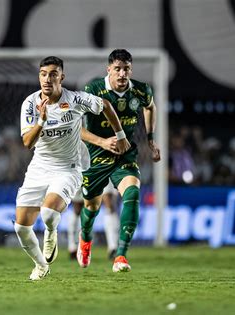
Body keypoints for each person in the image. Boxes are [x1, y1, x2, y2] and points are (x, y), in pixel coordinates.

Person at [14, 56, 130, 281]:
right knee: (21, 228)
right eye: (43, 74)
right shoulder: (30, 104)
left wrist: (120, 135)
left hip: (69, 168)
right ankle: (41, 266)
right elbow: (27, 143)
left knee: (48, 212)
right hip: (39, 167)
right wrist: (41, 121)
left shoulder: (76, 99)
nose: (47, 79)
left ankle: (51, 232)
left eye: (53, 74)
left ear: (62, 77)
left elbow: (105, 105)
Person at [78, 49, 161, 273]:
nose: (122, 74)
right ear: (109, 70)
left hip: (125, 154)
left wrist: (151, 138)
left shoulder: (141, 90)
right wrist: (103, 142)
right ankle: (85, 240)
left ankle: (120, 255)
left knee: (133, 193)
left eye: (126, 69)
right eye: (117, 69)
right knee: (91, 208)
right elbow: (77, 127)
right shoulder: (94, 89)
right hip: (95, 155)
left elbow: (150, 107)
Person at [67, 179, 119, 261]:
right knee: (78, 208)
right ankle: (73, 245)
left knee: (109, 202)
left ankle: (113, 248)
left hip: (103, 168)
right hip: (84, 169)